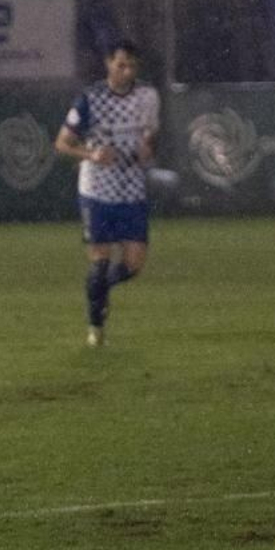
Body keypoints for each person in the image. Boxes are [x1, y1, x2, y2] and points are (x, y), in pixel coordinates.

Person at [53, 41, 161, 347]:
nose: (126, 71)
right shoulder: (91, 98)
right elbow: (61, 143)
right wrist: (90, 153)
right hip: (97, 189)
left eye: (131, 66)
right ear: (108, 64)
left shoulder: (148, 96)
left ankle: (99, 290)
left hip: (132, 188)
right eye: (121, 64)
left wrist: (147, 149)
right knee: (100, 260)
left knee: (134, 264)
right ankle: (95, 325)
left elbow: (151, 138)